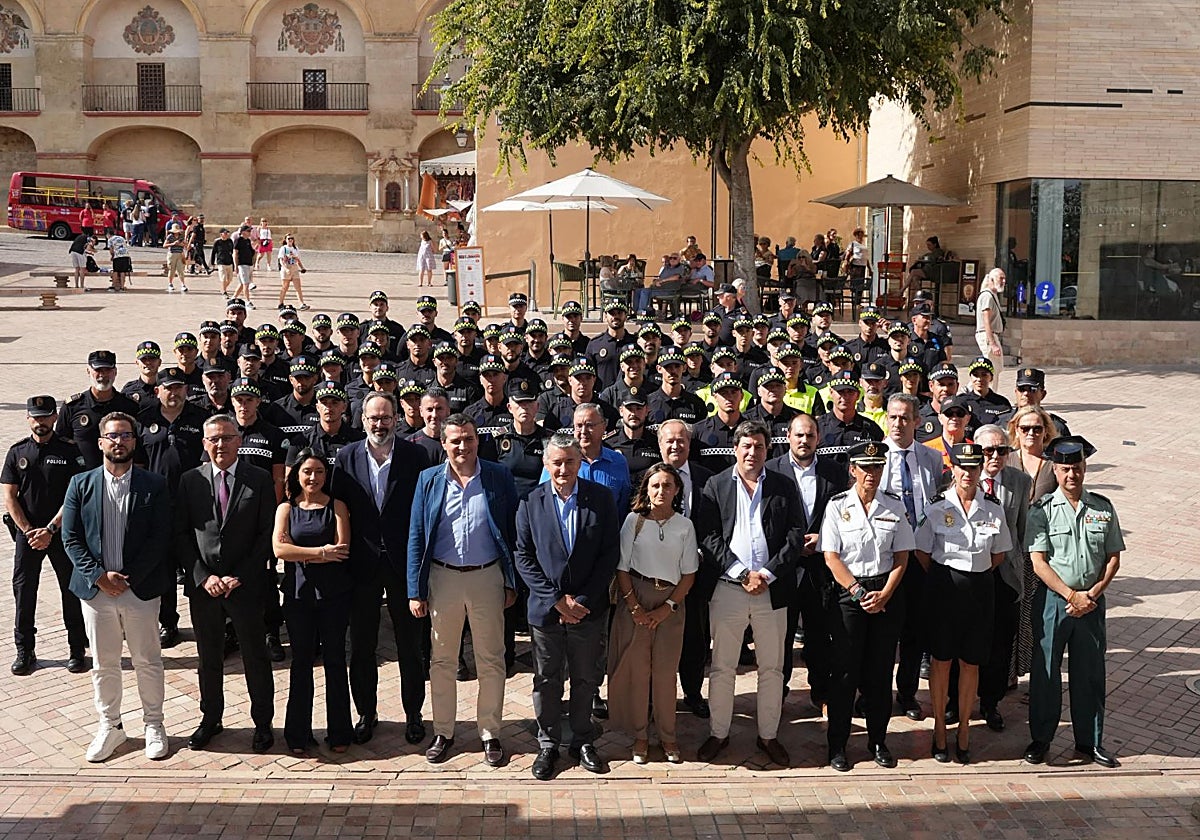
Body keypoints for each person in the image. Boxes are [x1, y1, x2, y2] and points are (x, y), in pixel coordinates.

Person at [407, 414, 519, 767]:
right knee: (441, 659)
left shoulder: (498, 476)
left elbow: (513, 531)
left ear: (476, 440)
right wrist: (415, 589)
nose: (462, 446)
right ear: (443, 444)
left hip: (487, 577)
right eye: (455, 440)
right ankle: (444, 730)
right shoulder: (428, 480)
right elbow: (415, 536)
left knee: (490, 658)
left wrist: (510, 580)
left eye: (468, 439)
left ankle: (490, 732)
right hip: (444, 578)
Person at [61, 412, 171, 762]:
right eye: (112, 436)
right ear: (100, 442)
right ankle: (110, 726)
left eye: (125, 435)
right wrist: (98, 576)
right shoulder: (80, 483)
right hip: (95, 593)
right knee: (104, 663)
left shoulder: (153, 484)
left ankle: (154, 724)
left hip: (139, 589)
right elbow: (70, 537)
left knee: (147, 660)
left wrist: (128, 578)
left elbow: (159, 537)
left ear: (134, 441)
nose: (118, 441)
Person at [694, 421, 803, 768]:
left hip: (773, 589)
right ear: (735, 449)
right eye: (746, 446)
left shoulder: (784, 486)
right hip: (729, 589)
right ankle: (719, 733)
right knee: (723, 666)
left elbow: (795, 535)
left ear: (767, 449)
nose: (752, 453)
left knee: (772, 668)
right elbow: (708, 536)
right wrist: (742, 573)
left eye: (758, 446)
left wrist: (767, 574)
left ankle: (768, 736)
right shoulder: (715, 485)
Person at [516, 433, 620, 781]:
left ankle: (581, 739)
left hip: (588, 610)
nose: (563, 468)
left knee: (585, 677)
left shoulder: (600, 499)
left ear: (580, 463)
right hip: (547, 610)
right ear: (547, 464)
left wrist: (584, 600)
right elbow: (523, 556)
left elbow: (609, 554)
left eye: (570, 462)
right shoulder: (530, 502)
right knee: (547, 678)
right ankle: (548, 743)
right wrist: (556, 600)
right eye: (556, 462)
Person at [329, 392, 431, 747]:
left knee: (411, 645)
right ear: (362, 420)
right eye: (373, 418)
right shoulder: (346, 456)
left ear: (396, 419)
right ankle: (366, 712)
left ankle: (414, 713)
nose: (379, 424)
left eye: (385, 417)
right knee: (361, 645)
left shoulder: (416, 456)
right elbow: (338, 509)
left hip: (404, 565)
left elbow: (423, 512)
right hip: (361, 565)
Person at [174, 415, 276, 753]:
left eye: (227, 438)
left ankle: (263, 723)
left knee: (254, 657)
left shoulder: (258, 479)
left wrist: (240, 575)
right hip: (205, 588)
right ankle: (211, 718)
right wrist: (204, 578)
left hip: (245, 586)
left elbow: (267, 533)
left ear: (238, 440)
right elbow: (182, 534)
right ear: (204, 444)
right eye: (213, 439)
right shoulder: (190, 481)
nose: (220, 445)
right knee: (209, 658)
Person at [1024, 436, 1123, 769]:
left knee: (1090, 673)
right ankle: (1041, 740)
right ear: (1055, 469)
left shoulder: (1102, 507)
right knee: (1047, 673)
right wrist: (1071, 596)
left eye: (1077, 469)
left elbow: (1112, 558)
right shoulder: (1042, 510)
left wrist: (1091, 595)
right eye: (1065, 469)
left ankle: (1090, 741)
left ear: (1085, 468)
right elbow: (1038, 561)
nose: (1072, 476)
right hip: (1055, 602)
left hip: (1091, 603)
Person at [819, 440, 915, 771]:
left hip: (886, 592)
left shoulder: (894, 506)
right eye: (865, 467)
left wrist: (885, 593)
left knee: (879, 672)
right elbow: (831, 557)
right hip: (850, 594)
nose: (871, 474)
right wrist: (859, 592)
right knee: (845, 673)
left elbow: (902, 556)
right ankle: (838, 744)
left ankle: (878, 740)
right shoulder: (836, 506)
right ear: (853, 470)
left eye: (877, 467)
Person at [915, 443, 1012, 765]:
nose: (968, 473)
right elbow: (922, 551)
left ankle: (966, 730)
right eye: (962, 467)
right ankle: (940, 730)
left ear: (980, 469)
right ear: (952, 469)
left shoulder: (993, 508)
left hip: (980, 589)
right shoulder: (936, 506)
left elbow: (998, 554)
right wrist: (949, 577)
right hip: (943, 586)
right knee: (942, 660)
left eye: (974, 467)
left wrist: (972, 577)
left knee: (972, 662)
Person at [609, 463, 697, 765]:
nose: (661, 491)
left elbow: (689, 575)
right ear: (646, 489)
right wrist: (634, 607)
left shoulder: (685, 526)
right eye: (655, 485)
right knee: (638, 673)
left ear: (676, 490)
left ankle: (668, 736)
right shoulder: (633, 521)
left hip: (671, 603)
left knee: (664, 674)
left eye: (668, 485)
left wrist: (666, 608)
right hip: (635, 598)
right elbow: (621, 568)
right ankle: (641, 736)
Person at [271, 447, 353, 755]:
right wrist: (320, 552)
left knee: (334, 662)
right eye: (307, 471)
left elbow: (342, 548)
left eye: (319, 472)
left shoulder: (337, 506)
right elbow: (279, 550)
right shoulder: (286, 509)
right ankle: (298, 734)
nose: (313, 477)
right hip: (298, 595)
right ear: (297, 475)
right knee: (301, 663)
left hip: (334, 596)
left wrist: (301, 551)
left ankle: (339, 732)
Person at [765, 412, 849, 709]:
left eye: (810, 435)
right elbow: (767, 520)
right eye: (799, 435)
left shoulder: (835, 473)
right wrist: (791, 546)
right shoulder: (771, 470)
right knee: (781, 637)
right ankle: (779, 693)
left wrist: (823, 539)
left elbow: (843, 516)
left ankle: (821, 691)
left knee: (819, 634)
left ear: (819, 439)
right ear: (788, 436)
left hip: (821, 569)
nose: (804, 440)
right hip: (784, 569)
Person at [3, 396, 89, 676]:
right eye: (35, 417)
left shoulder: (68, 451)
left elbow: (74, 496)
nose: (40, 422)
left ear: (55, 417)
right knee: (24, 592)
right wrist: (29, 531)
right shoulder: (17, 452)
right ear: (28, 418)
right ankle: (24, 650)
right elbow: (9, 496)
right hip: (27, 536)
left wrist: (50, 529)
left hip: (61, 534)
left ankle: (77, 649)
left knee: (70, 590)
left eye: (45, 416)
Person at [877, 393, 944, 720]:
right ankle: (876, 693)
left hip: (921, 555)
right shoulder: (875, 456)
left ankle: (906, 694)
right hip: (887, 556)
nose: (898, 424)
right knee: (883, 632)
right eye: (893, 417)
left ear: (917, 421)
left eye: (905, 418)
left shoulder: (931, 458)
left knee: (915, 630)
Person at [965, 424, 1031, 732]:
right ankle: (957, 702)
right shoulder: (963, 478)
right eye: (987, 451)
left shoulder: (1020, 482)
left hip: (1004, 575)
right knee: (964, 639)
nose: (994, 457)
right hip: (969, 573)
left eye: (1001, 450)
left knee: (1000, 644)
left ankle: (990, 703)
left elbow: (1020, 531)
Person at [1006, 404, 1060, 681]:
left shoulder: (1053, 466)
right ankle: (1006, 674)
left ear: (1046, 432)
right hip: (1008, 551)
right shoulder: (1006, 459)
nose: (1030, 434)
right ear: (1015, 429)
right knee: (1008, 612)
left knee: (1033, 615)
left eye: (1037, 429)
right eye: (1024, 428)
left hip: (1039, 553)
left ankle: (1032, 673)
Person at [56, 350, 141, 470]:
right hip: (82, 479)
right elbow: (60, 444)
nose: (103, 375)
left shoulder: (129, 406)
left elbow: (138, 446)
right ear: (88, 371)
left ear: (115, 372)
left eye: (107, 370)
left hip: (121, 477)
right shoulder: (72, 407)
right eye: (98, 370)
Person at [976, 269, 1006, 375]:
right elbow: (986, 321)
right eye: (1001, 278)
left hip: (992, 335)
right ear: (992, 279)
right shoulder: (987, 296)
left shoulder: (992, 295)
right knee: (992, 370)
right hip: (987, 336)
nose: (1003, 281)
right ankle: (989, 391)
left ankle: (969, 389)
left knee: (994, 368)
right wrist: (992, 343)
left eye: (1004, 278)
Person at [277, 234, 309, 310]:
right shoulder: (283, 248)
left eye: (292, 238)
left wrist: (302, 267)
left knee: (298, 287)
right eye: (289, 238)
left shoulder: (295, 248)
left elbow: (297, 259)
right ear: (285, 240)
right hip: (286, 267)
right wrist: (285, 269)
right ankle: (280, 303)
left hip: (294, 267)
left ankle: (301, 303)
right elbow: (281, 260)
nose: (290, 240)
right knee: (285, 287)